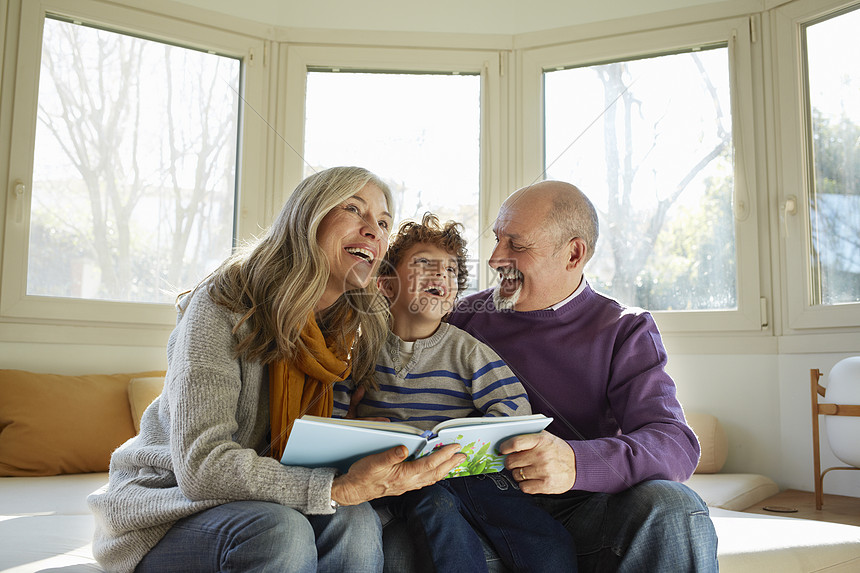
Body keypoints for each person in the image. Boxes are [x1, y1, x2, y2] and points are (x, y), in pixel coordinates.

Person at [87, 167, 466, 573]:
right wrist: (337, 486)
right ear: (308, 216)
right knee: (282, 529)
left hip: (273, 498)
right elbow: (202, 466)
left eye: (384, 222)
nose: (374, 230)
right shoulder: (222, 304)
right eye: (354, 209)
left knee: (355, 522)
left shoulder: (357, 325)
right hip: (170, 509)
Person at [447, 180, 719, 572]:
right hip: (482, 513)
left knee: (675, 506)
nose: (494, 258)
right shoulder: (462, 318)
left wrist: (575, 463)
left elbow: (674, 444)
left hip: (586, 509)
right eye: (497, 239)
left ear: (573, 254)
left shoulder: (624, 329)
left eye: (516, 245)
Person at [334, 213, 577, 573]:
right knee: (436, 507)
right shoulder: (362, 348)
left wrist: (468, 440)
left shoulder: (467, 350)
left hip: (467, 469)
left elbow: (513, 407)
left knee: (532, 528)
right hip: (402, 474)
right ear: (386, 285)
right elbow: (334, 413)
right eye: (424, 265)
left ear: (453, 298)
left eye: (449, 272)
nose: (440, 276)